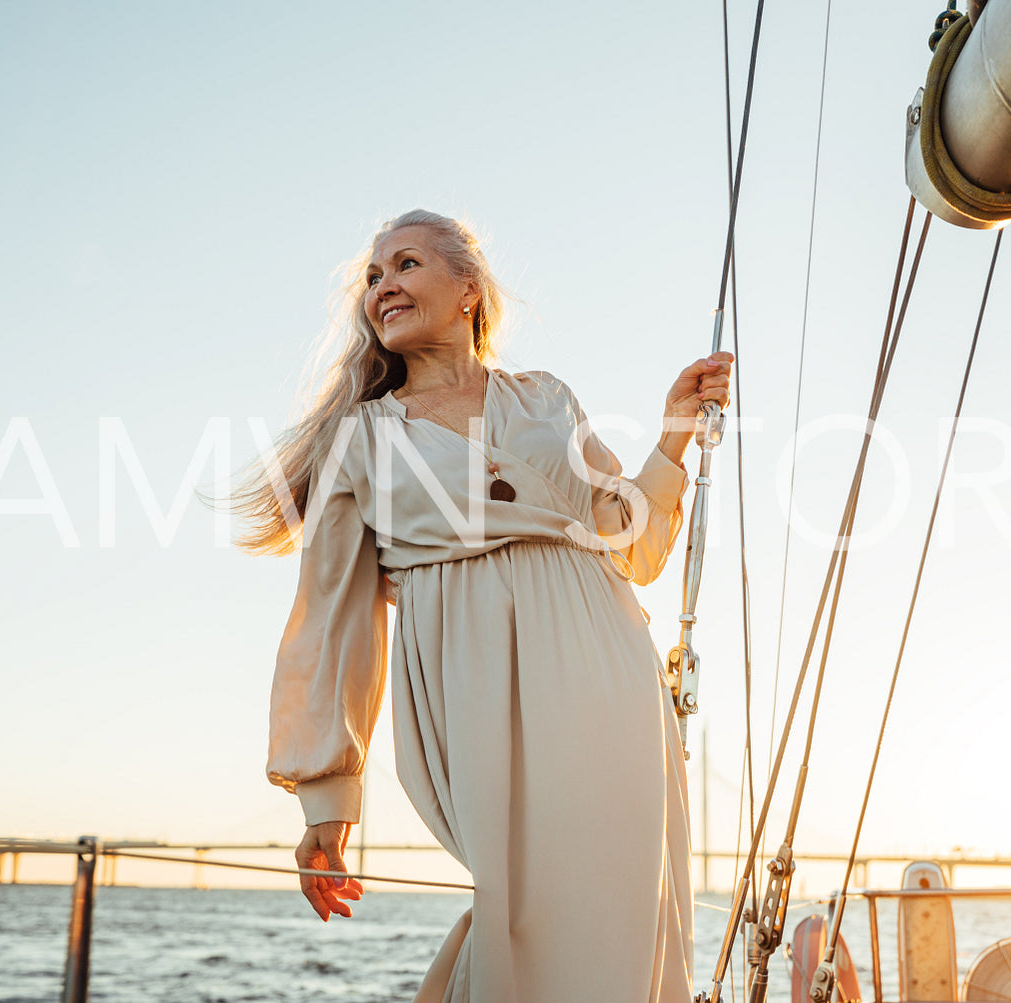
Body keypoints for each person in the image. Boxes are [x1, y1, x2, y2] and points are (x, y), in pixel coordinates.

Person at [233, 208, 733, 1002]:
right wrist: (325, 800)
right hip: (472, 686)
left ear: (467, 289)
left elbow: (628, 543)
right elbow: (330, 621)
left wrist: (672, 433)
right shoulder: (357, 438)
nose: (382, 287)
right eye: (371, 277)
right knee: (522, 910)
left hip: (606, 671)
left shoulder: (546, 400)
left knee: (623, 906)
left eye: (403, 265)